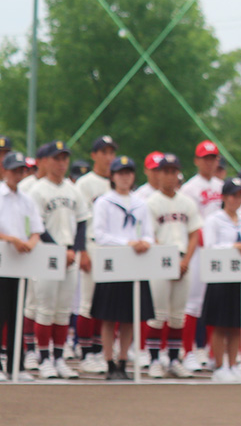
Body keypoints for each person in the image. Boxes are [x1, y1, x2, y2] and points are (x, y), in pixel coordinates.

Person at [29, 140, 91, 380]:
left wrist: (76, 249)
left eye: (64, 158)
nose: (61, 163)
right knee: (45, 309)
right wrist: (59, 250)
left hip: (69, 254)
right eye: (57, 158)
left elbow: (83, 221)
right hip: (45, 253)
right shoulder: (38, 189)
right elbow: (37, 225)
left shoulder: (73, 189)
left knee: (63, 310)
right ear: (46, 161)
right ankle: (43, 358)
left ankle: (58, 357)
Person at [90, 156, 156, 381]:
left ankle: (123, 360)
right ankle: (109, 362)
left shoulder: (141, 203)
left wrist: (145, 241)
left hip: (135, 264)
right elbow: (100, 234)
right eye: (120, 173)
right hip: (113, 263)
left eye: (128, 173)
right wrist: (126, 243)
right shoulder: (104, 202)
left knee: (130, 317)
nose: (125, 177)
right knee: (109, 317)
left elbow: (148, 231)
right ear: (112, 176)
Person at [145, 153, 202, 378]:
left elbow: (195, 233)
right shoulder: (151, 202)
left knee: (178, 315)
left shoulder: (186, 202)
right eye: (165, 171)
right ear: (158, 174)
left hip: (183, 260)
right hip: (160, 259)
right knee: (158, 314)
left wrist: (186, 260)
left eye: (173, 171)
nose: (169, 176)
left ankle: (173, 359)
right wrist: (171, 261)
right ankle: (154, 360)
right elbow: (150, 235)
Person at [202, 178, 241, 382]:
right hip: (221, 277)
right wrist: (231, 248)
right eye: (233, 195)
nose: (237, 199)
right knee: (220, 324)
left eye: (240, 195)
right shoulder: (214, 220)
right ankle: (219, 365)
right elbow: (209, 247)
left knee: (238, 323)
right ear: (224, 197)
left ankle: (233, 363)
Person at [73, 135, 117, 374]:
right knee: (88, 302)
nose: (108, 157)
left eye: (111, 152)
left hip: (111, 248)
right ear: (94, 155)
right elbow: (78, 220)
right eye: (104, 152)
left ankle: (99, 350)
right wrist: (81, 251)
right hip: (91, 244)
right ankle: (86, 352)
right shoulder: (85, 183)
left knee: (106, 302)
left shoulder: (116, 180)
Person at [178, 139, 224, 371]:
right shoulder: (189, 187)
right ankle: (188, 352)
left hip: (219, 253)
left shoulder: (221, 185)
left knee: (214, 303)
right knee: (193, 305)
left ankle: (211, 350)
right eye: (206, 158)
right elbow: (193, 225)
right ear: (197, 161)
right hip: (197, 251)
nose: (210, 162)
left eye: (213, 158)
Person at [0, 151, 44, 382]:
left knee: (18, 313)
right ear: (5, 170)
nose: (18, 174)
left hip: (20, 262)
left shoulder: (27, 199)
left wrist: (30, 242)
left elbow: (36, 228)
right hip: (2, 260)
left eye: (22, 170)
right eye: (14, 170)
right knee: (1, 314)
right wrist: (12, 240)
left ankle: (17, 364)